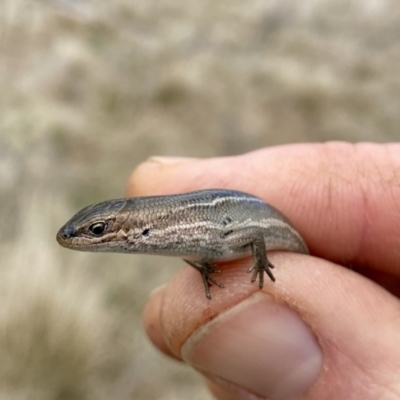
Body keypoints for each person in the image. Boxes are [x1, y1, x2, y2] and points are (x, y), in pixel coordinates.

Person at [127, 143, 400, 400]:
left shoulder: (206, 232)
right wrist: (205, 267)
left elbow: (255, 232)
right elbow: (192, 252)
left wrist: (260, 262)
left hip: (289, 242)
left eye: (99, 230)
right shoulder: (185, 237)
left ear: (135, 228)